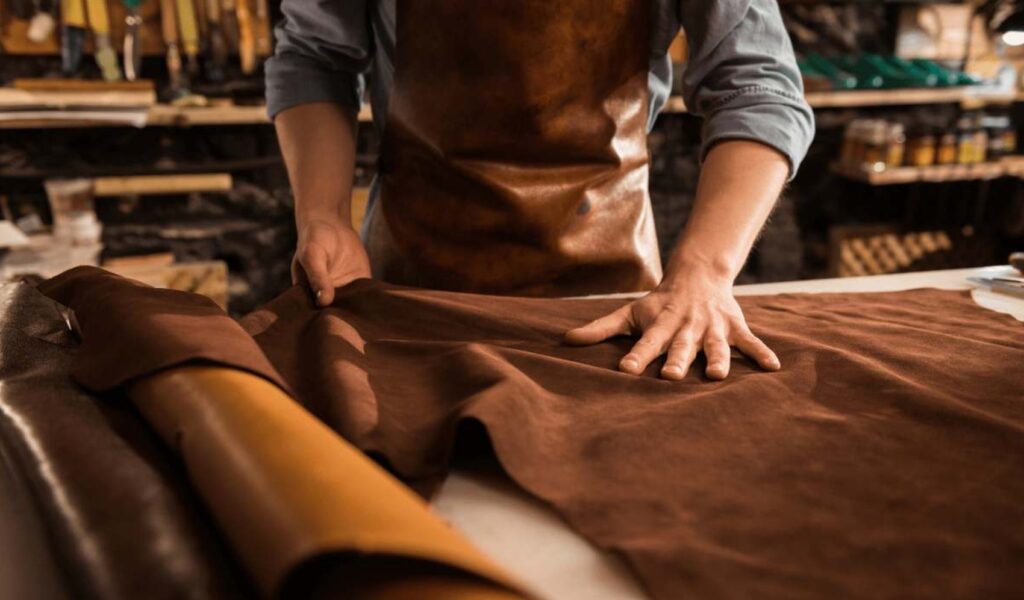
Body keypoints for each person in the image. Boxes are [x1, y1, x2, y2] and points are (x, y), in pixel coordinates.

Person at [266, 1, 814, 382]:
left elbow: (758, 90)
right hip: (408, 290)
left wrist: (705, 272)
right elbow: (314, 58)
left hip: (610, 310)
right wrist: (325, 216)